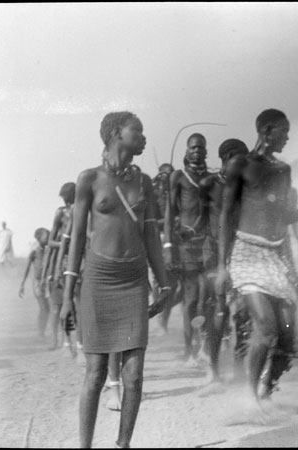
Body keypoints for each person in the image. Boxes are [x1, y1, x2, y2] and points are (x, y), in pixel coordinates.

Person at [60, 111, 171, 449]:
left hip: (134, 279)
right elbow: (78, 238)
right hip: (99, 279)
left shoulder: (145, 182)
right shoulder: (88, 179)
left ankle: (122, 446)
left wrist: (164, 283)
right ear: (114, 134)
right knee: (94, 374)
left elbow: (151, 235)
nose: (143, 137)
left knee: (134, 375)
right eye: (137, 131)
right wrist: (67, 296)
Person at [216, 109, 298, 422]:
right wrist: (222, 266)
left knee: (287, 337)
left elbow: (284, 216)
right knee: (266, 327)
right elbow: (226, 216)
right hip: (247, 253)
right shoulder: (240, 165)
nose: (287, 137)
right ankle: (248, 399)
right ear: (267, 129)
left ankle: (266, 391)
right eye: (284, 131)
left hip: (277, 257)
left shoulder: (283, 169)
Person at [196, 138, 249, 386]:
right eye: (240, 157)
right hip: (214, 254)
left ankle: (240, 371)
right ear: (227, 157)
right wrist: (188, 232)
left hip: (241, 251)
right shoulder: (208, 184)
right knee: (218, 310)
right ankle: (213, 370)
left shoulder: (247, 185)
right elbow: (200, 221)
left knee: (243, 312)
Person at [164, 133, 211, 366]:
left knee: (206, 299)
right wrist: (168, 245)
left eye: (201, 148)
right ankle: (188, 349)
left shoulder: (212, 177)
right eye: (193, 148)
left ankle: (204, 346)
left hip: (207, 244)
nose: (197, 151)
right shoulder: (178, 177)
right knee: (191, 300)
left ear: (206, 151)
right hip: (185, 244)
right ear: (186, 150)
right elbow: (169, 211)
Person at [41, 182, 76, 351]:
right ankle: (57, 340)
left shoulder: (85, 209)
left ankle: (71, 341)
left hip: (80, 259)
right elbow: (49, 241)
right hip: (63, 263)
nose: (66, 200)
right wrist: (65, 242)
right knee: (58, 307)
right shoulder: (61, 213)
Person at [151, 163, 183, 334]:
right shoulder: (155, 195)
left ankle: (163, 313)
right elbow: (152, 222)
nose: (168, 178)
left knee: (178, 285)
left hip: (178, 240)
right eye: (165, 175)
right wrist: (170, 221)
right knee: (163, 281)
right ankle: (160, 316)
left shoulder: (177, 194)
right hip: (161, 239)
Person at [19, 228, 51, 339]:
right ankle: (41, 332)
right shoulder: (34, 252)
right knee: (44, 308)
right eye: (46, 237)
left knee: (47, 308)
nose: (48, 238)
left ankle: (42, 331)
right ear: (38, 238)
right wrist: (22, 285)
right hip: (37, 283)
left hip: (46, 282)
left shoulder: (49, 251)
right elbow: (27, 269)